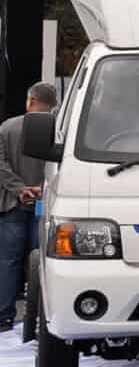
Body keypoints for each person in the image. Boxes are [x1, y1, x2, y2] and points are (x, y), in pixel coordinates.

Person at [0, 82, 59, 329]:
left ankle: (4, 316)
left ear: (30, 100)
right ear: (54, 104)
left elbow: (0, 164)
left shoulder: (7, 127)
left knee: (8, 260)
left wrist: (19, 188)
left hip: (13, 202)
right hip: (42, 204)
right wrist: (40, 188)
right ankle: (40, 317)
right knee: (42, 262)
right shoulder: (59, 130)